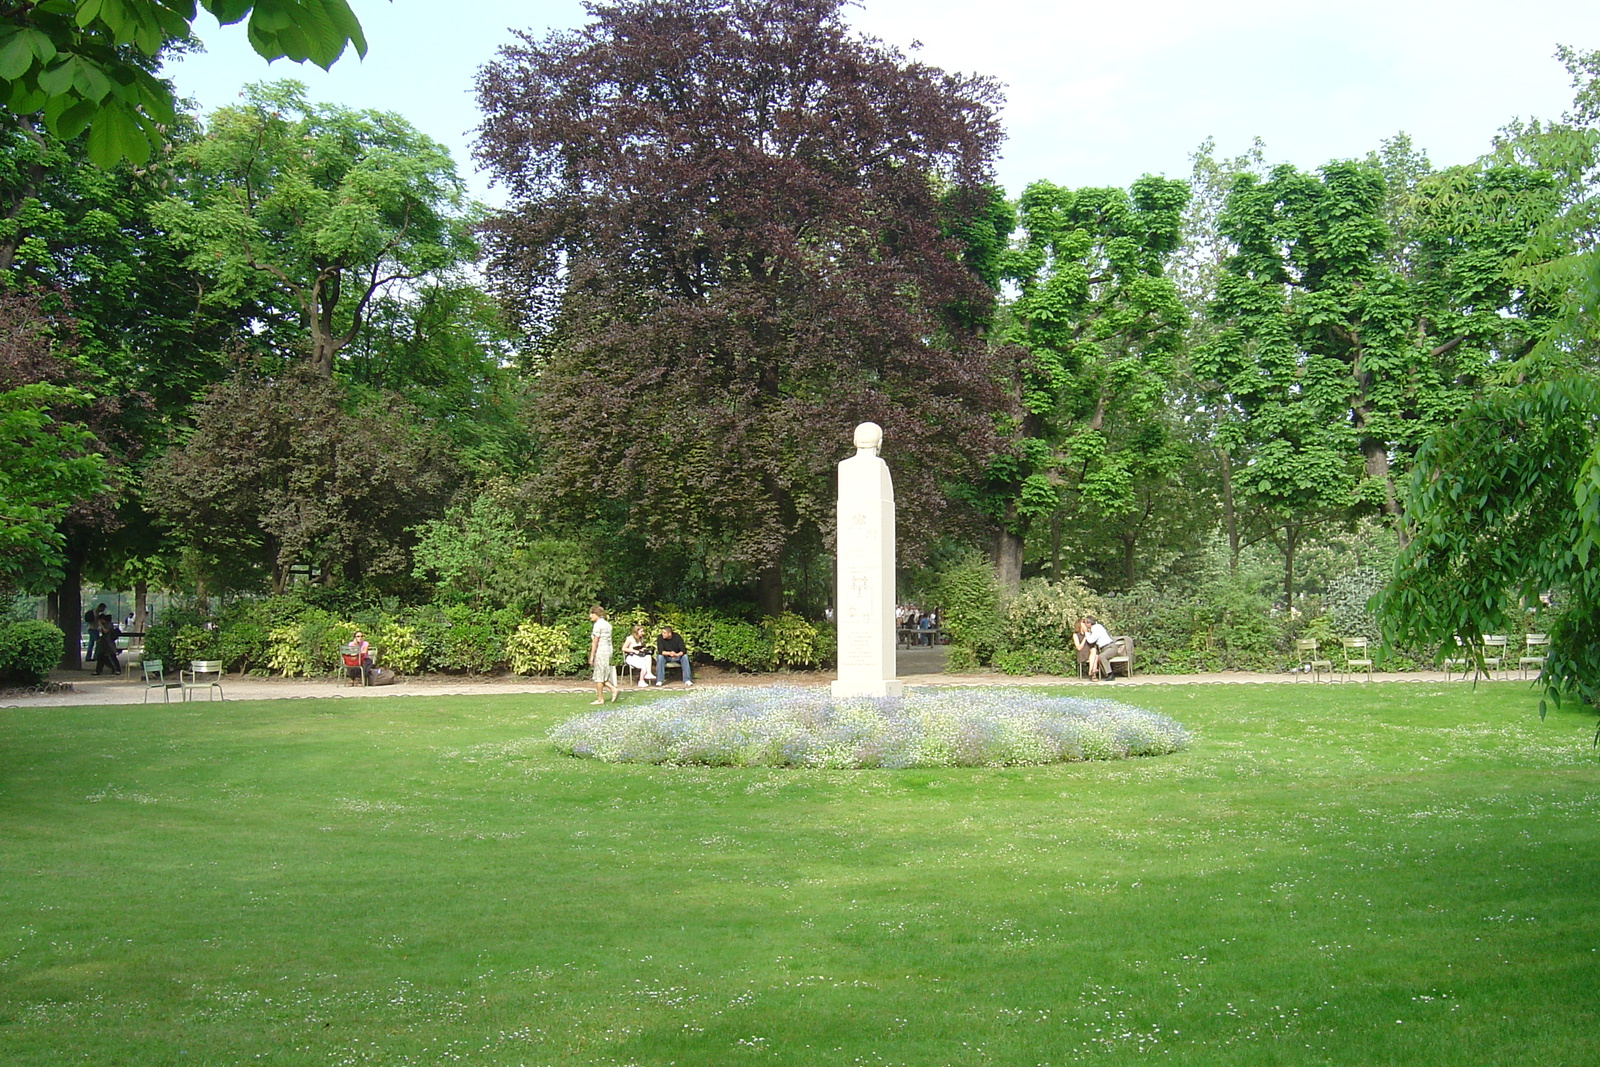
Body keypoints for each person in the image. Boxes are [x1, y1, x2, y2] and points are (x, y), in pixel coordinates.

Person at [588, 606, 620, 704]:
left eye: (591, 614)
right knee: (602, 674)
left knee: (599, 675)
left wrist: (592, 656)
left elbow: (595, 641)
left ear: (596, 614)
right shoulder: (607, 624)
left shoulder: (598, 625)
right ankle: (611, 689)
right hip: (608, 650)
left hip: (601, 650)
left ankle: (600, 698)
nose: (590, 616)